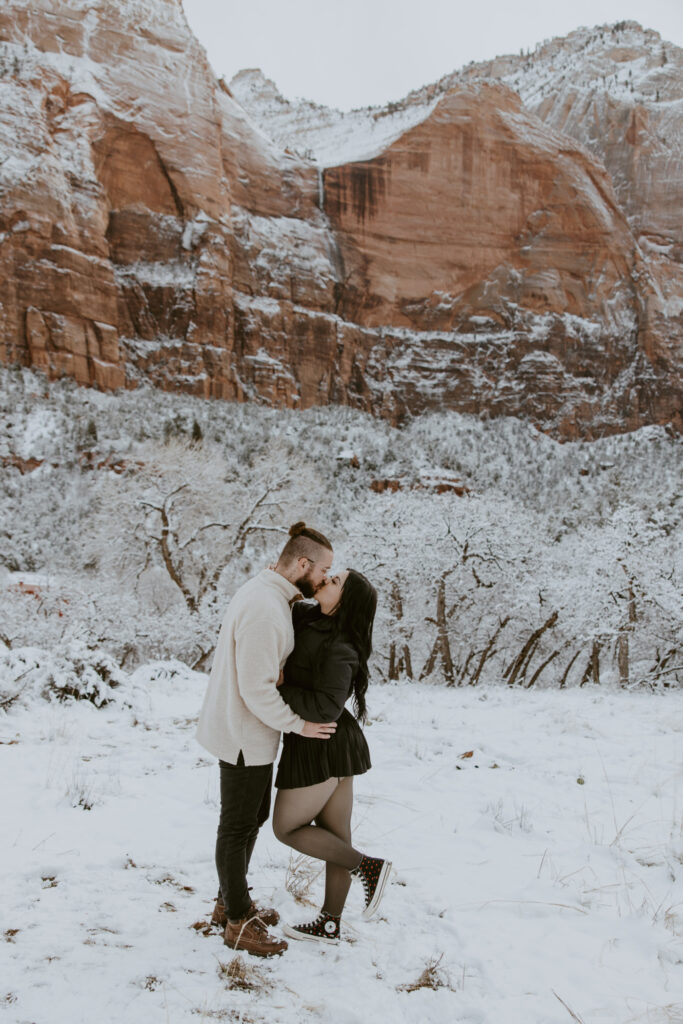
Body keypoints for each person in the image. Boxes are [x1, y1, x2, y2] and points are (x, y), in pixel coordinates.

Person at [196, 522, 338, 958]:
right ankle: (237, 921)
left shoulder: (270, 595)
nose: (325, 577)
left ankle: (230, 902)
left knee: (250, 819)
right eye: (324, 569)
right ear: (302, 563)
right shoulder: (265, 607)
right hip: (243, 734)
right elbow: (257, 689)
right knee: (237, 825)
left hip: (246, 731)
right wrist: (298, 724)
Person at [272, 568, 391, 944]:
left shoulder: (342, 645)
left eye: (335, 582)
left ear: (345, 602)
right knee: (337, 835)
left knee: (286, 827)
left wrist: (279, 689)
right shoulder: (308, 615)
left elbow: (326, 706)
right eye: (331, 575)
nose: (326, 581)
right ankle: (329, 923)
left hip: (322, 742)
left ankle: (367, 867)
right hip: (334, 742)